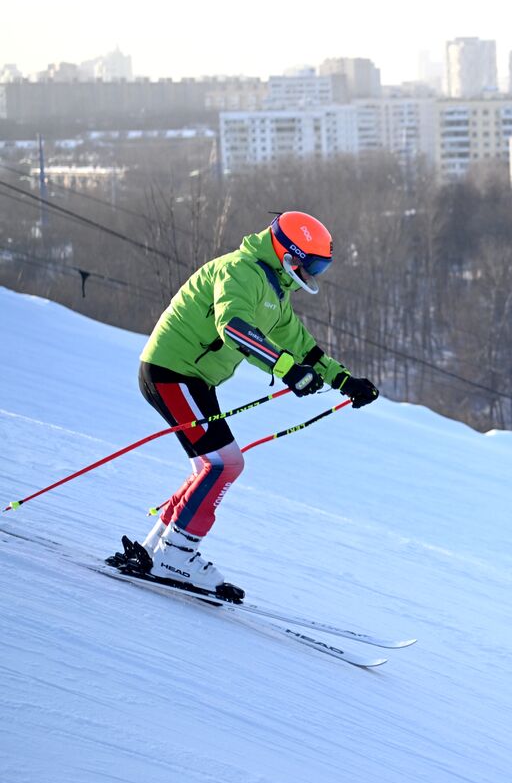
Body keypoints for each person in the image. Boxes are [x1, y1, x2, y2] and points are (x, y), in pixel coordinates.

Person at [108, 211, 378, 601]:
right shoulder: (241, 271)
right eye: (311, 263)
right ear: (289, 252)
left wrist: (344, 381)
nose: (312, 273)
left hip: (191, 377)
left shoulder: (275, 289)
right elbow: (233, 327)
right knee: (225, 463)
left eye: (320, 267)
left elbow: (303, 345)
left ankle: (156, 550)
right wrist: (286, 370)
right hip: (171, 372)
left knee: (209, 465)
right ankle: (177, 554)